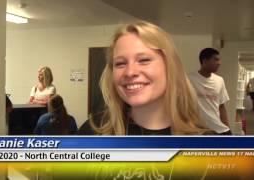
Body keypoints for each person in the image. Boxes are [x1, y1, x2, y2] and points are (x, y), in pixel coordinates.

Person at [78, 21, 209, 135]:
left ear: (170, 66)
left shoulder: (207, 146)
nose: (130, 72)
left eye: (144, 60)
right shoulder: (92, 132)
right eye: (120, 63)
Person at [189, 48, 232, 135]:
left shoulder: (219, 80)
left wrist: (227, 127)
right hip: (199, 131)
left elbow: (221, 106)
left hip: (219, 129)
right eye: (215, 59)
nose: (219, 63)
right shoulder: (189, 79)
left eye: (219, 60)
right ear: (204, 61)